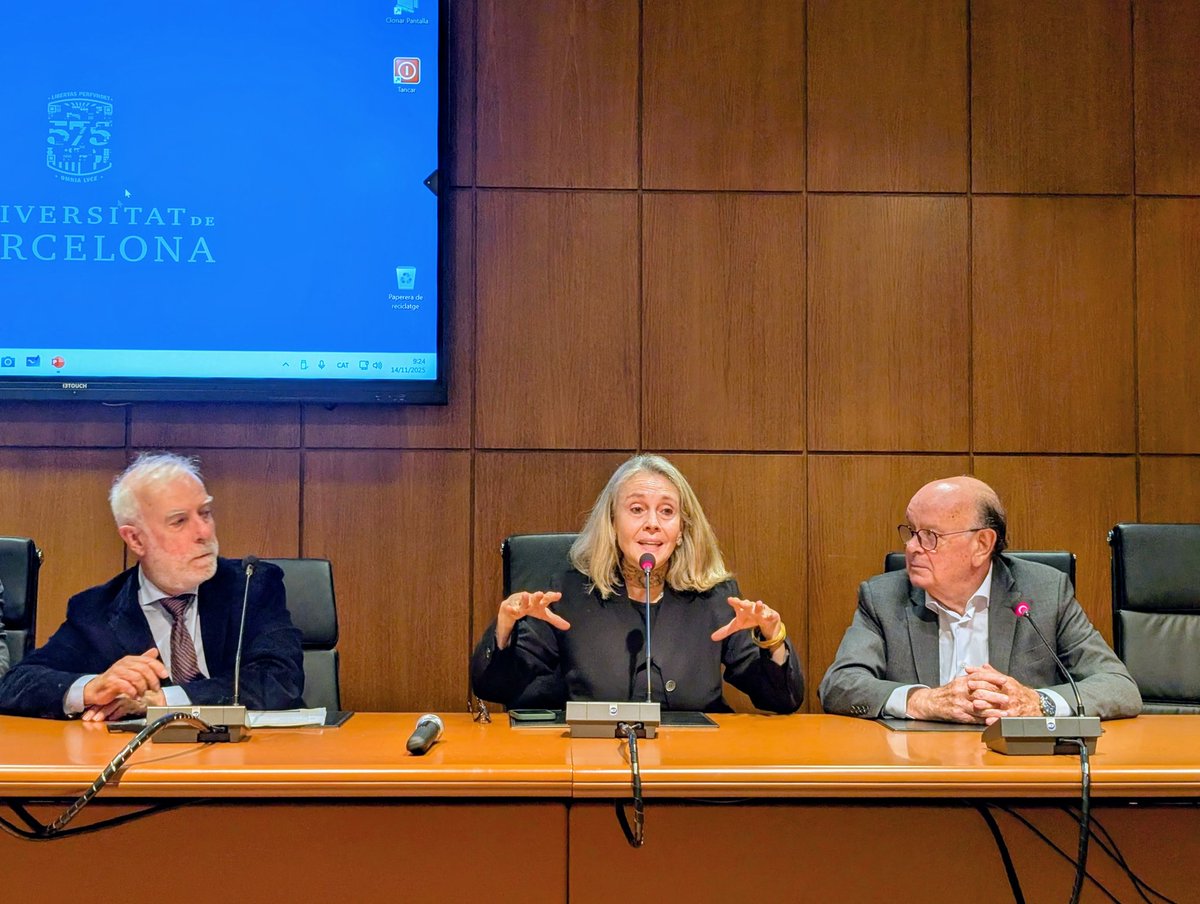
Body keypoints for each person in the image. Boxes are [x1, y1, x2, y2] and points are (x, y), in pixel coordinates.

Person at [471, 455, 803, 713]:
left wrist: (773, 640)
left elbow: (782, 699)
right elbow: (494, 687)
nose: (653, 525)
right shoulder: (569, 594)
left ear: (683, 529)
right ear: (613, 522)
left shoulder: (715, 597)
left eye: (667, 511)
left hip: (694, 769)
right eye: (637, 509)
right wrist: (504, 627)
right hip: (598, 766)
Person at [0, 452, 304, 720]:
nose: (203, 531)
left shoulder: (252, 585)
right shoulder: (96, 610)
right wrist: (92, 688)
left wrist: (163, 702)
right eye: (179, 521)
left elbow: (279, 680)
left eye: (205, 513)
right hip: (146, 770)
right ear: (135, 539)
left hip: (251, 763)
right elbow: (16, 683)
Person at [819, 476, 1141, 723]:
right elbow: (839, 685)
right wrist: (921, 701)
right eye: (911, 532)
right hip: (921, 773)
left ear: (982, 545)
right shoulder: (883, 598)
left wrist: (1035, 703)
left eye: (930, 536)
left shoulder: (1045, 593)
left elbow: (1119, 687)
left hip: (1020, 777)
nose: (913, 547)